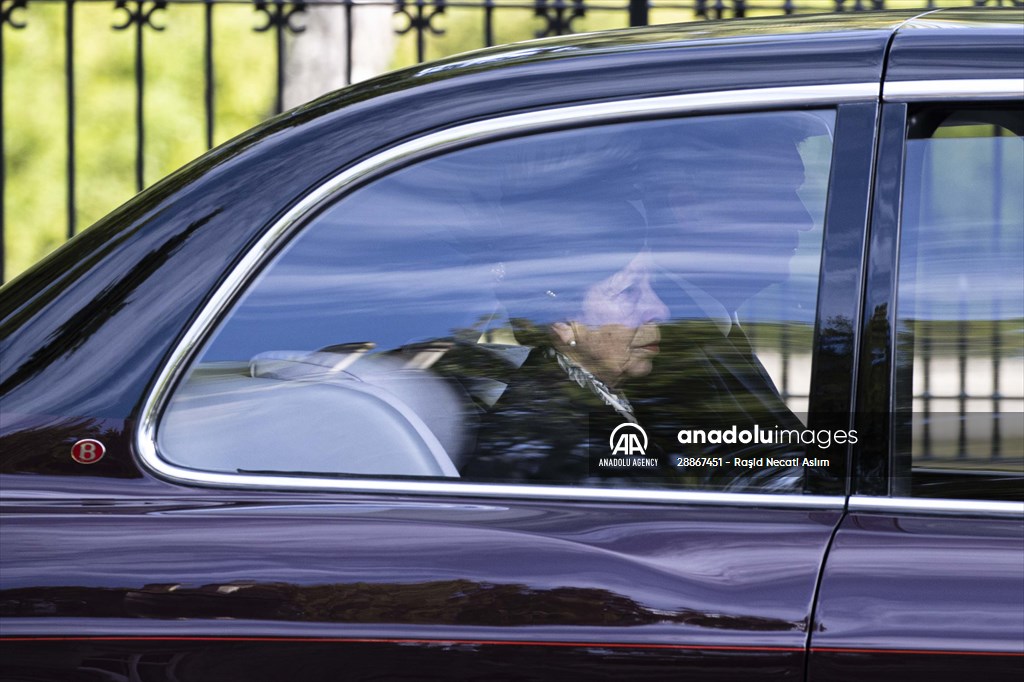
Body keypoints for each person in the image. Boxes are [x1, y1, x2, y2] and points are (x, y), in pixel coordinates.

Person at [631, 113, 832, 492]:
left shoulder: (704, 330)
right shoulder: (661, 356)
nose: (803, 219)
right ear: (688, 206)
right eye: (778, 194)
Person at [459, 199, 670, 483]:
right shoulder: (548, 437)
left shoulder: (628, 400)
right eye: (629, 292)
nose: (660, 310)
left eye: (655, 286)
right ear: (564, 324)